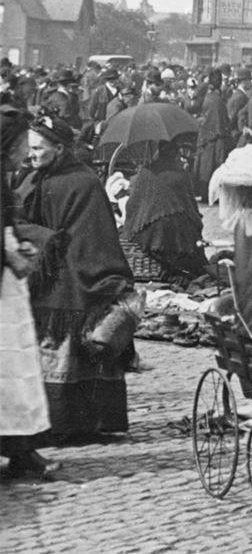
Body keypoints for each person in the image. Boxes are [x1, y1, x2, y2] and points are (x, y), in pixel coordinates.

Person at [16, 114, 136, 439]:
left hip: (73, 271)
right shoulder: (32, 178)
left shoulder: (83, 182)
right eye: (28, 147)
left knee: (74, 344)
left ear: (59, 148)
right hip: (38, 271)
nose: (31, 154)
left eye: (39, 148)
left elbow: (93, 236)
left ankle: (78, 423)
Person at [0, 106, 61, 479]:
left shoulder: (5, 178)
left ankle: (21, 447)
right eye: (24, 142)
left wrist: (15, 243)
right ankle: (20, 449)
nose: (27, 150)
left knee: (16, 368)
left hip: (8, 287)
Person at [122, 141, 207, 280]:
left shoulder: (145, 172)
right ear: (175, 155)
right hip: (177, 238)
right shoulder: (181, 174)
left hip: (149, 237)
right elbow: (191, 207)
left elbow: (132, 206)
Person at [192, 71, 233, 200]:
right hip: (216, 137)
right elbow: (221, 122)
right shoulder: (217, 101)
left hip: (206, 136)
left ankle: (205, 192)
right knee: (212, 166)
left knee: (204, 166)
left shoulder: (207, 98)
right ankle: (212, 194)